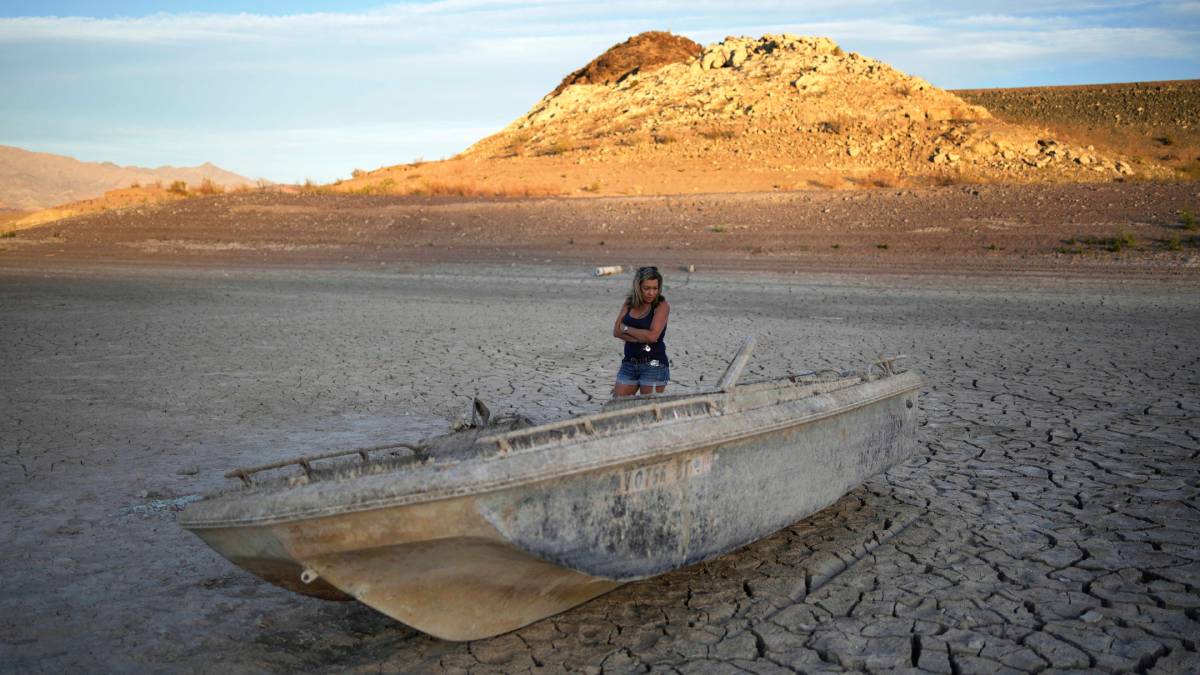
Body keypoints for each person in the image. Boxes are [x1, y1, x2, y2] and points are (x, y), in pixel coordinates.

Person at [612, 266, 670, 397]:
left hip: (654, 365)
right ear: (638, 287)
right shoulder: (629, 303)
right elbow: (616, 331)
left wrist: (627, 329)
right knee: (617, 405)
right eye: (646, 288)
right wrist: (641, 337)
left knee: (649, 409)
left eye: (655, 288)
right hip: (629, 364)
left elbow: (652, 337)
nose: (651, 293)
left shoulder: (661, 305)